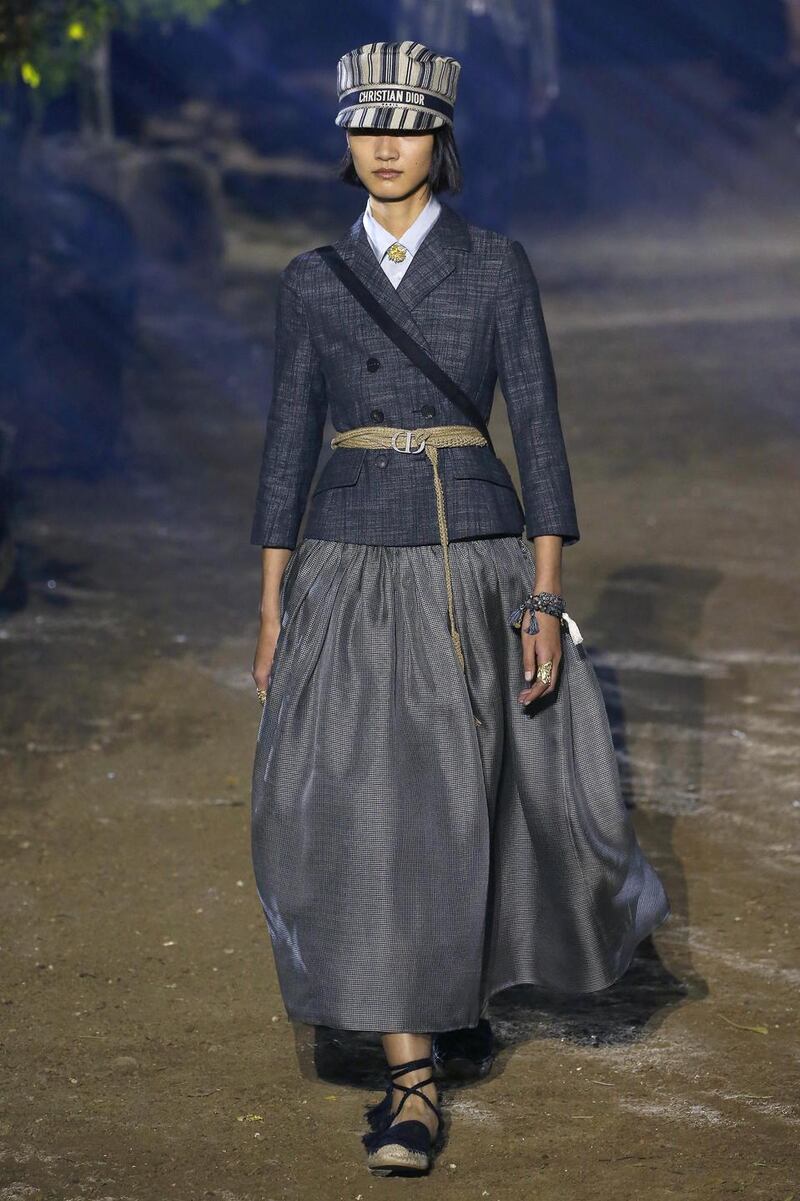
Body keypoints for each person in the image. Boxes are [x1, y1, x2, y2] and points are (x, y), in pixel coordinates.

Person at [249, 39, 671, 1178]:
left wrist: (544, 593)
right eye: (364, 125)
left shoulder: (493, 266)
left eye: (407, 125)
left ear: (441, 137)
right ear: (343, 137)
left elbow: (535, 430)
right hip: (347, 563)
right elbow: (287, 441)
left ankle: (447, 991)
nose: (384, 145)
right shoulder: (310, 281)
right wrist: (272, 598)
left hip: (471, 561)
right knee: (354, 802)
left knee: (470, 799)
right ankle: (411, 1073)